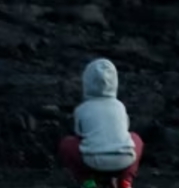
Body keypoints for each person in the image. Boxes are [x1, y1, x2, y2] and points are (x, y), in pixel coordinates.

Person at [58, 58, 144, 188]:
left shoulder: (82, 108)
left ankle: (87, 182)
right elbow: (125, 129)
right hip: (123, 159)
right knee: (136, 139)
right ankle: (125, 181)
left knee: (67, 144)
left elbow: (79, 133)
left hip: (93, 161)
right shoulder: (119, 106)